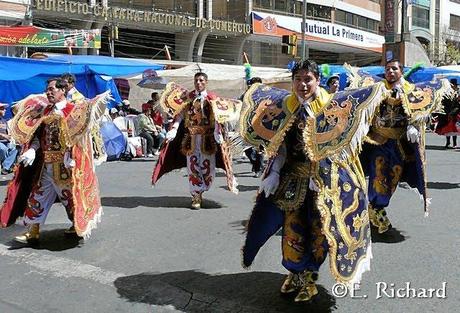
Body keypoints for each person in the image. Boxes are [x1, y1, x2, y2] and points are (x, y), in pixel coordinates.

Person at [241, 60, 379, 302]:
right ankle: (295, 272)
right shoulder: (286, 107)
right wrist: (273, 172)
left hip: (322, 184)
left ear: (317, 81)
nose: (303, 85)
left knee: (319, 231)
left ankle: (310, 278)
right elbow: (280, 145)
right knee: (291, 229)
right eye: (298, 79)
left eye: (308, 79)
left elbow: (338, 149)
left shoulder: (330, 108)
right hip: (292, 181)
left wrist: (323, 173)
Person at [0, 78, 106, 243]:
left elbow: (78, 137)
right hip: (45, 165)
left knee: (70, 198)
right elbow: (37, 135)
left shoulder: (72, 110)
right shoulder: (44, 111)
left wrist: (72, 156)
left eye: (52, 89)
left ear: (62, 90)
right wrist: (32, 151)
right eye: (47, 90)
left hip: (65, 166)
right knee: (38, 195)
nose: (48, 92)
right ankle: (33, 231)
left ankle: (76, 224)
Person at [359, 59, 449, 233]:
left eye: (394, 68)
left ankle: (377, 207)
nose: (390, 72)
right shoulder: (377, 88)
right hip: (378, 140)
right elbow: (364, 107)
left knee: (393, 176)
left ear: (401, 71)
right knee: (378, 174)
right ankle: (376, 208)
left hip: (399, 143)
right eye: (387, 69)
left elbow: (422, 110)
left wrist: (414, 124)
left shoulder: (410, 90)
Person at [152, 72, 239, 209]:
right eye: (196, 81)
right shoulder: (188, 98)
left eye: (201, 80)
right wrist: (174, 129)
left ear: (206, 82)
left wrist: (218, 132)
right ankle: (196, 195)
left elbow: (218, 116)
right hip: (191, 139)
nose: (198, 83)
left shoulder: (212, 99)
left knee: (207, 168)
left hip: (207, 139)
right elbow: (179, 115)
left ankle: (202, 188)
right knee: (193, 167)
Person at [241, 77, 264, 177]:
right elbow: (239, 105)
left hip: (262, 126)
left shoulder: (266, 96)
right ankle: (255, 163)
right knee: (247, 149)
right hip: (248, 126)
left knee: (260, 149)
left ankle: (258, 168)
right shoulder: (246, 95)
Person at [434, 78, 460, 149]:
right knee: (447, 128)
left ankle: (454, 143)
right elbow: (443, 102)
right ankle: (448, 142)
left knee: (454, 129)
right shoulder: (446, 92)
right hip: (447, 112)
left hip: (454, 112)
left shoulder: (457, 92)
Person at [0, 103, 20, 174]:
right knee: (3, 149)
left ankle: (5, 167)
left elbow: (8, 132)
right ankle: (5, 164)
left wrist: (9, 136)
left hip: (6, 141)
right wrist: (3, 135)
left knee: (15, 148)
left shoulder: (4, 120)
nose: (5, 110)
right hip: (1, 142)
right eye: (2, 109)